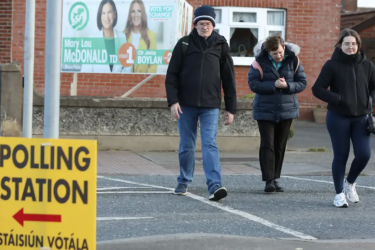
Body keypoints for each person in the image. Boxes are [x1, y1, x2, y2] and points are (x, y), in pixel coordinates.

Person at [165, 5, 236, 201]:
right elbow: (171, 75)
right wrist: (173, 102)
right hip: (185, 105)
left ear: (213, 25)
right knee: (187, 145)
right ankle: (184, 180)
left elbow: (229, 78)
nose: (204, 27)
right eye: (201, 24)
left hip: (210, 105)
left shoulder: (221, 45)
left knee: (209, 144)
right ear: (195, 25)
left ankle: (215, 185)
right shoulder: (184, 44)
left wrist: (230, 108)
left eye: (208, 24)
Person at [312, 28, 375, 208]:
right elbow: (317, 89)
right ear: (340, 45)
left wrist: (371, 101)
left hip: (361, 118)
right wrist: (338, 99)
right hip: (338, 117)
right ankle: (339, 194)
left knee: (364, 154)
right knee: (341, 155)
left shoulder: (367, 65)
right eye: (347, 44)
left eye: (354, 44)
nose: (350, 47)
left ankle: (350, 183)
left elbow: (374, 87)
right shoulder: (332, 65)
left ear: (358, 45)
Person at [248, 34, 307, 193]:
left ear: (284, 47)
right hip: (265, 110)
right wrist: (273, 85)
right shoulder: (258, 63)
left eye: (280, 52)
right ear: (268, 52)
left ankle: (275, 177)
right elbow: (253, 84)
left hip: (286, 110)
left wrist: (287, 85)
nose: (279, 56)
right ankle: (268, 180)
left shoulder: (294, 60)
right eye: (275, 54)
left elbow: (302, 83)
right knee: (267, 145)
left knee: (280, 145)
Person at [81, 0, 130, 73]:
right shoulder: (93, 38)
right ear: (100, 16)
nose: (106, 17)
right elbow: (85, 70)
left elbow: (126, 68)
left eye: (109, 12)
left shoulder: (122, 37)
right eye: (103, 13)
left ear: (114, 14)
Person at [123, 0, 157, 73]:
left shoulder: (151, 36)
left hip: (143, 82)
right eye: (133, 11)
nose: (136, 14)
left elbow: (153, 65)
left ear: (143, 14)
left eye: (139, 11)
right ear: (130, 14)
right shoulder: (123, 35)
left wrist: (144, 82)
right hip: (125, 81)